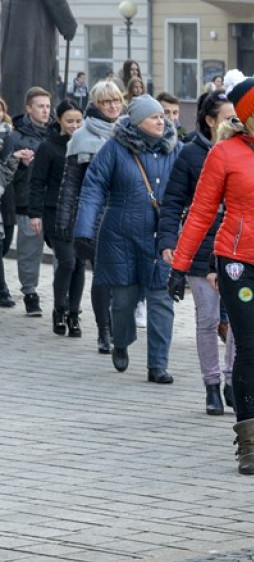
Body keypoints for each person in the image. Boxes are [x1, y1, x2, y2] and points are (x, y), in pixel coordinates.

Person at [167, 78, 254, 476]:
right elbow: (201, 212)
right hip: (239, 263)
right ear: (249, 113)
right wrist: (180, 266)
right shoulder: (224, 153)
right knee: (250, 348)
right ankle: (248, 437)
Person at [73, 95, 181, 382]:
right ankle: (120, 341)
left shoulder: (175, 149)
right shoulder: (114, 149)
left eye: (162, 116)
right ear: (136, 121)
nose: (161, 120)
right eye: (154, 116)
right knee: (122, 301)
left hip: (162, 236)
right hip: (119, 235)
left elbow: (194, 188)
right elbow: (93, 187)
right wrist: (83, 230)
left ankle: (158, 365)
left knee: (161, 299)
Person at [158, 90, 237, 416]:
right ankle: (211, 386)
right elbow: (173, 201)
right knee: (207, 320)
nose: (236, 121)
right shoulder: (190, 154)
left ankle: (233, 381)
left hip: (236, 247)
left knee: (236, 323)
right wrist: (167, 242)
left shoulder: (242, 150)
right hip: (201, 247)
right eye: (229, 117)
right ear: (210, 120)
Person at [55, 80, 124, 352]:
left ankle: (118, 324)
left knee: (123, 278)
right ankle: (104, 330)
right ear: (96, 104)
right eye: (106, 102)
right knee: (103, 276)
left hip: (124, 214)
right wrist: (65, 221)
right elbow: (70, 184)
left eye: (116, 100)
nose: (112, 106)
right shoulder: (81, 138)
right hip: (94, 216)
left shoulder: (129, 130)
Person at [27, 100, 83, 335]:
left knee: (79, 263)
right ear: (59, 121)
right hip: (54, 213)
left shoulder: (85, 145)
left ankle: (74, 313)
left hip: (81, 213)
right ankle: (59, 310)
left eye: (79, 121)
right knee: (67, 261)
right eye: (69, 121)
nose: (74, 125)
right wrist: (35, 214)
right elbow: (37, 182)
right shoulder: (49, 147)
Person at [1, 86, 53, 317]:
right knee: (29, 251)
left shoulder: (56, 133)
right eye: (40, 106)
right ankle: (30, 293)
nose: (45, 110)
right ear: (28, 109)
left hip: (53, 202)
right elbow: (6, 175)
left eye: (48, 106)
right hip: (25, 201)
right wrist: (21, 165)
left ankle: (64, 298)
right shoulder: (15, 137)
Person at [0, 96, 19, 308]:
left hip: (6, 198)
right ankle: (3, 289)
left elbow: (9, 167)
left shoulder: (10, 135)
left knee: (5, 245)